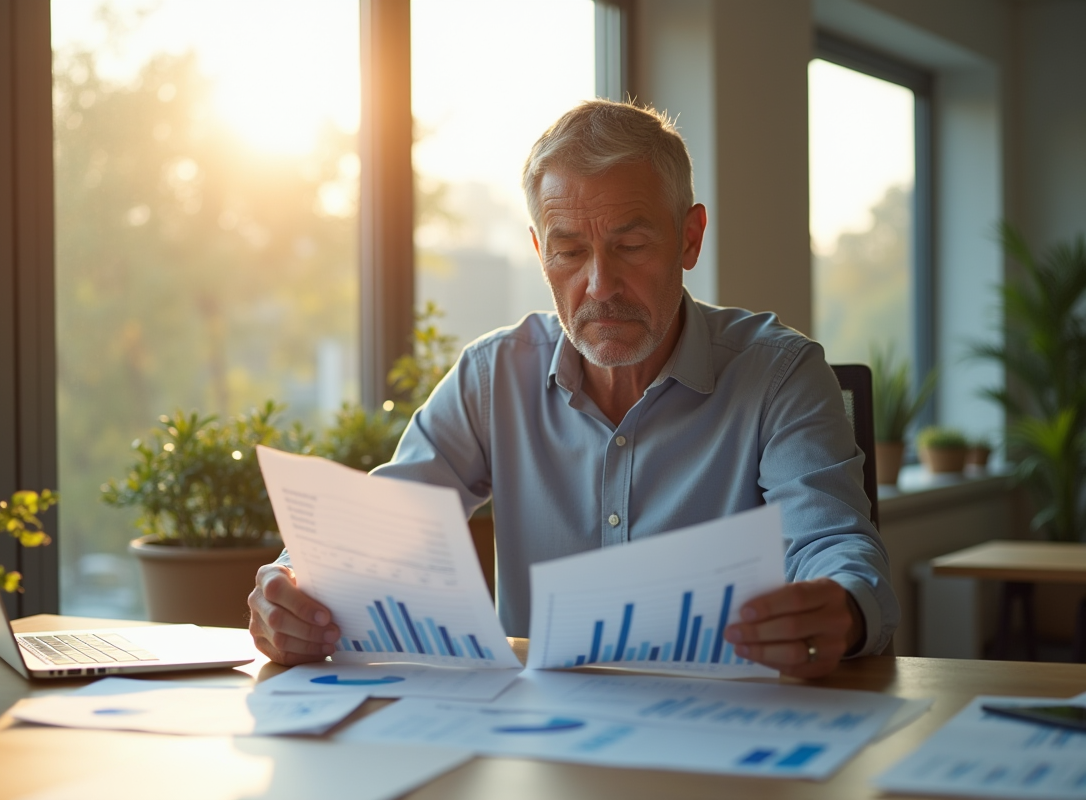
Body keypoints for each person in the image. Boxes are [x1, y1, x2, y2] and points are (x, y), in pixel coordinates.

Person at [249, 99, 899, 679]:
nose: (599, 287)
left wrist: (839, 606)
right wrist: (295, 586)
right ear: (538, 252)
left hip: (725, 733)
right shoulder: (492, 375)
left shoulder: (778, 374)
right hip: (538, 750)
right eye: (568, 253)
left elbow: (833, 543)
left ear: (689, 237)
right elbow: (375, 530)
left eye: (632, 244)